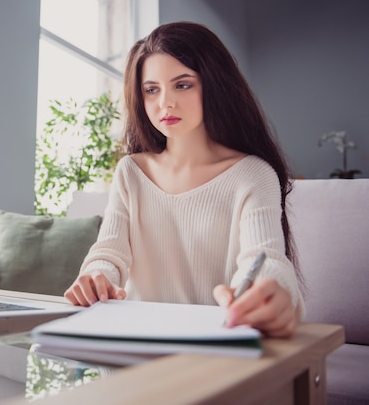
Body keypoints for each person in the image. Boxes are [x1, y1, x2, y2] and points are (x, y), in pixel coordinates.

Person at [64, 21, 305, 338]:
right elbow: (110, 253)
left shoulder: (253, 174)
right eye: (152, 90)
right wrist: (96, 277)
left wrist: (272, 291)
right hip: (132, 345)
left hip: (214, 350)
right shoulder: (131, 172)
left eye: (182, 84)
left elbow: (265, 258)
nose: (165, 102)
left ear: (214, 84)